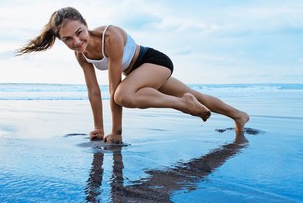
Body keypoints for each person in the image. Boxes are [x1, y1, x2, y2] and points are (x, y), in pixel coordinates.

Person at [17, 7, 249, 144]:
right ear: (61, 39)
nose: (76, 42)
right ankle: (239, 116)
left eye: (79, 33)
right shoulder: (81, 55)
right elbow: (93, 91)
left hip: (154, 62)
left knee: (123, 94)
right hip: (139, 74)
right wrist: (99, 128)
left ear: (86, 25)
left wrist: (116, 133)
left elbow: (114, 90)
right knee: (200, 97)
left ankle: (183, 104)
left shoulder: (111, 37)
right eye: (68, 39)